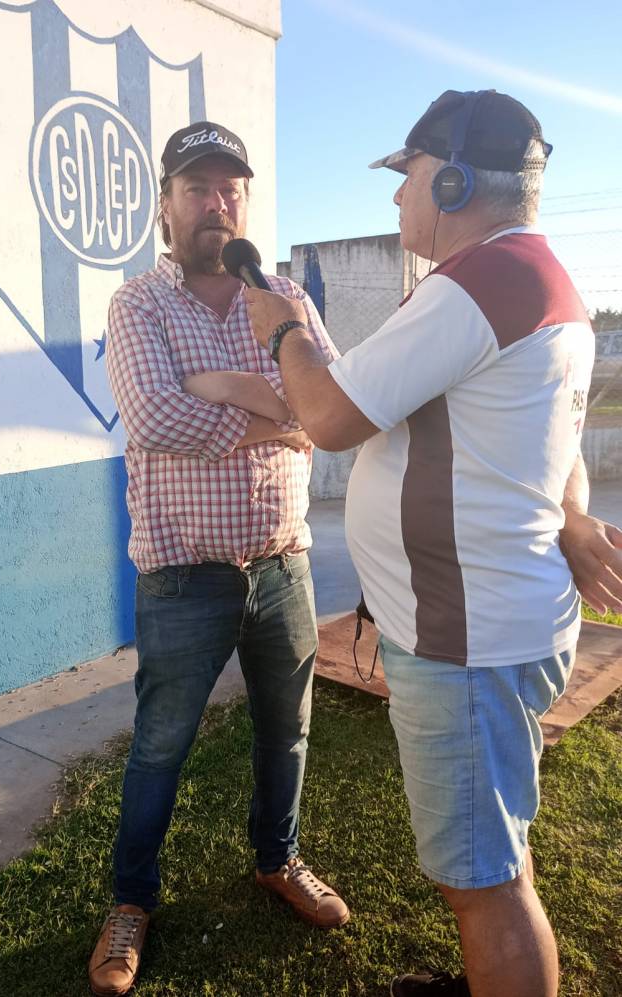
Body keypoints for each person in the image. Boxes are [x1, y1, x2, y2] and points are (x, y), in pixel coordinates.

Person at [245, 89, 622, 997]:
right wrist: (572, 514)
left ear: (450, 178)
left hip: (466, 642)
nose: (396, 198)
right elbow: (560, 447)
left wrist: (285, 332)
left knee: (481, 885)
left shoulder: (479, 283)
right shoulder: (534, 275)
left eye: (405, 176)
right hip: (489, 628)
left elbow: (329, 414)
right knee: (496, 849)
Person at [88, 121, 348, 997]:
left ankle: (279, 859)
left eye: (230, 186)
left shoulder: (286, 300)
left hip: (283, 566)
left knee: (290, 730)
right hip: (183, 573)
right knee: (160, 746)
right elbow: (155, 419)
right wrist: (271, 405)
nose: (217, 201)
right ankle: (131, 902)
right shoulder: (139, 306)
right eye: (196, 186)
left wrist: (233, 391)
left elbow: (329, 407)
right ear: (165, 206)